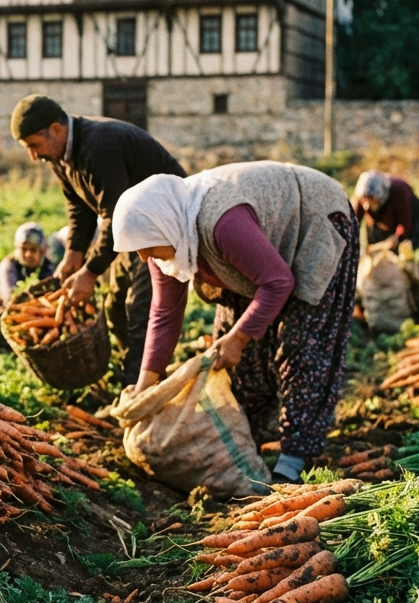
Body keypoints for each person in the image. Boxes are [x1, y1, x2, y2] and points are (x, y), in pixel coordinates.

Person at [112, 161, 359, 485]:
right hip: (257, 252)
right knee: (229, 353)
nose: (145, 258)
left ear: (163, 225)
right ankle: (245, 439)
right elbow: (165, 312)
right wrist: (146, 385)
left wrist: (239, 338)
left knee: (303, 344)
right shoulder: (166, 241)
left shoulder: (221, 222)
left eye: (146, 247)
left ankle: (293, 459)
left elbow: (278, 282)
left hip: (315, 220)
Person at [10, 94, 186, 385]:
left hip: (163, 227)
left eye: (33, 146)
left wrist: (90, 272)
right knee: (115, 306)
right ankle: (144, 374)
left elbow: (112, 215)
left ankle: (137, 395)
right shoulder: (60, 156)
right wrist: (74, 256)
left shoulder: (99, 146)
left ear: (56, 129)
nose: (33, 155)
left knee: (140, 309)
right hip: (134, 232)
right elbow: (79, 210)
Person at [0, 222, 55, 312]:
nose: (28, 254)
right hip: (5, 311)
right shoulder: (9, 265)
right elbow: (10, 297)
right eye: (24, 249)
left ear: (42, 251)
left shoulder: (48, 266)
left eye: (33, 250)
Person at [353, 170, 419, 248]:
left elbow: (406, 223)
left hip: (409, 219)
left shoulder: (398, 191)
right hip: (381, 222)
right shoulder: (362, 195)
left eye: (371, 200)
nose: (366, 206)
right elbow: (354, 222)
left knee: (405, 246)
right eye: (364, 200)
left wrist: (396, 237)